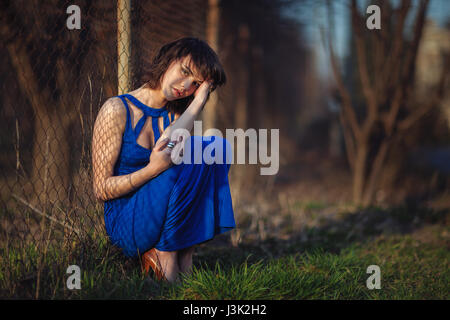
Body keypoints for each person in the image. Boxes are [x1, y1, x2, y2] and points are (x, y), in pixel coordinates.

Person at [91, 37, 235, 282]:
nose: (186, 85)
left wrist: (199, 101)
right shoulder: (116, 110)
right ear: (168, 59)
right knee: (176, 163)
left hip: (164, 217)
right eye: (185, 71)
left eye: (196, 84)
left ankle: (184, 254)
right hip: (128, 222)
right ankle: (165, 254)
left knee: (215, 148)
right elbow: (101, 189)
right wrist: (151, 170)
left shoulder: (177, 114)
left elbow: (169, 141)